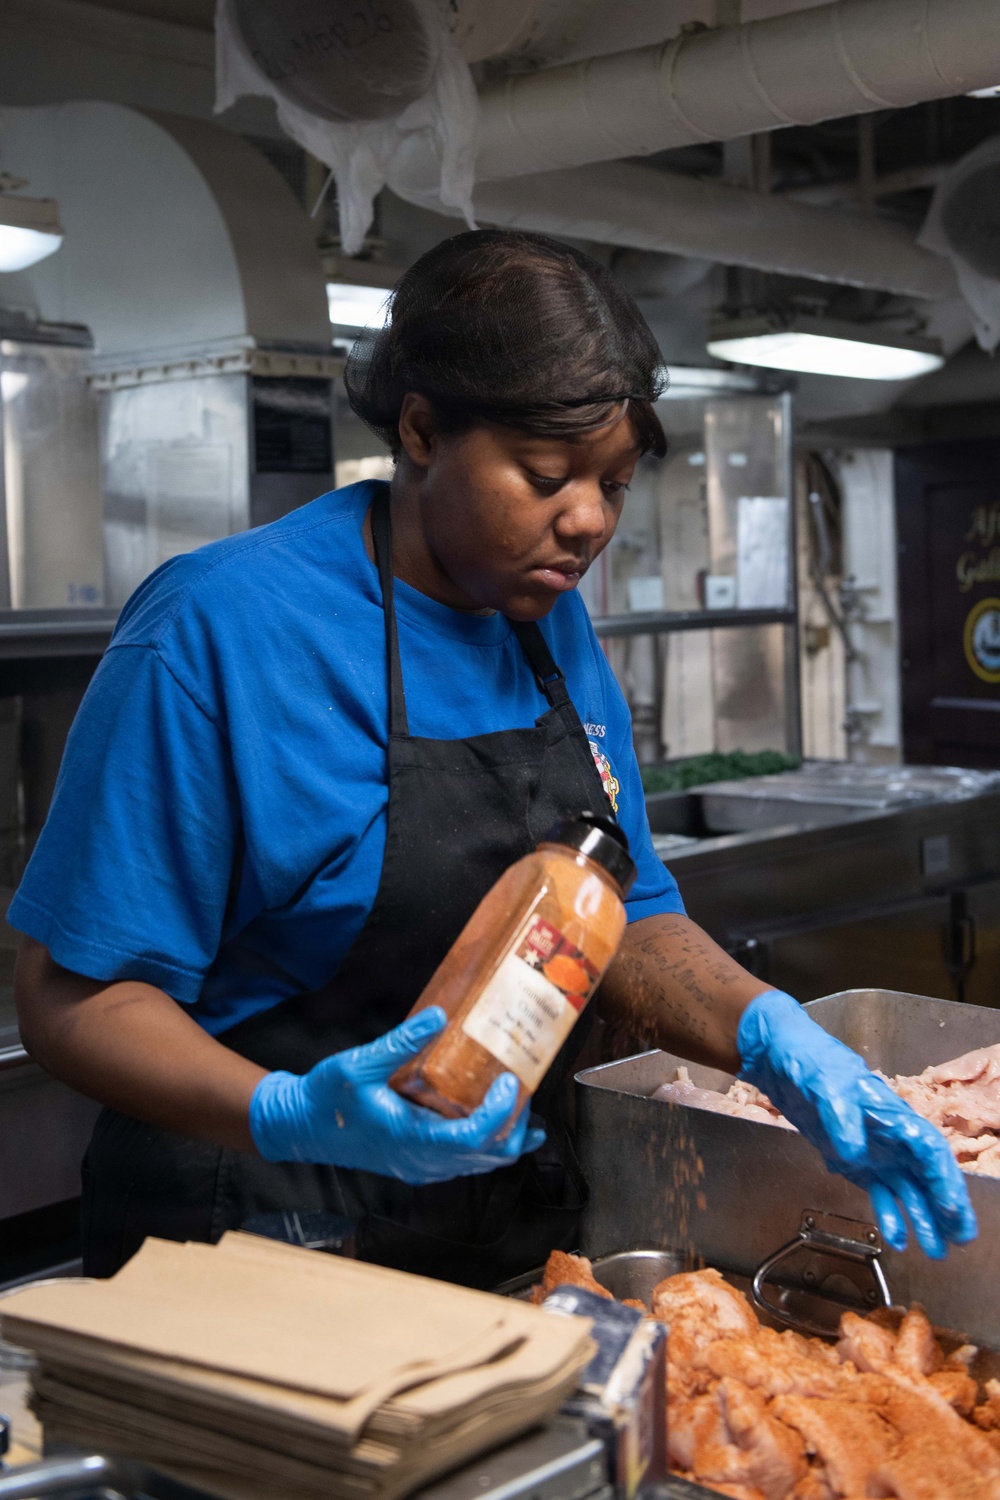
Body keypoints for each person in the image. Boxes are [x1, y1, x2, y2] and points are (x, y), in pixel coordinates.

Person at [12, 230, 975, 1286]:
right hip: (249, 1228)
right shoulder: (220, 630)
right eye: (547, 475)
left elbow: (625, 914)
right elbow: (75, 1000)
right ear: (421, 428)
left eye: (613, 483)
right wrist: (286, 1114)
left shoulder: (541, 617)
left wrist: (771, 1038)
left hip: (491, 1220)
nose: (588, 523)